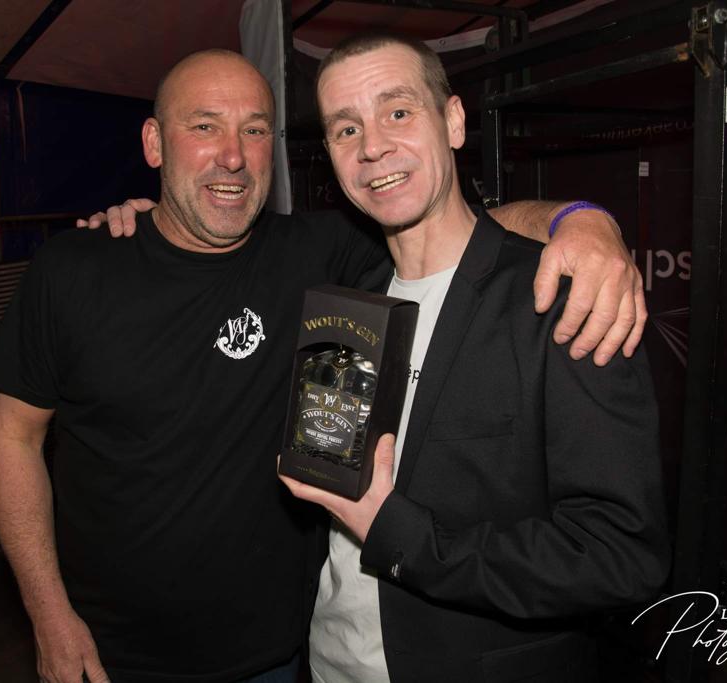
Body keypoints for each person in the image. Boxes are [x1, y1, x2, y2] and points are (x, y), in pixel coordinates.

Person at [0, 49, 647, 683]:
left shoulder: (320, 252)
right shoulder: (74, 270)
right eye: (204, 127)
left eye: (254, 129)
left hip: (281, 648)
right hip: (113, 652)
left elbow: (456, 228)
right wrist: (48, 616)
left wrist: (580, 219)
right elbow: (13, 437)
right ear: (155, 144)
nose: (233, 155)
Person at [276, 34, 670, 683]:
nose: (372, 146)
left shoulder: (557, 299)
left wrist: (402, 536)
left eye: (397, 111)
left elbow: (619, 555)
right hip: (328, 661)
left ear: (454, 121)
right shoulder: (351, 299)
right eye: (346, 128)